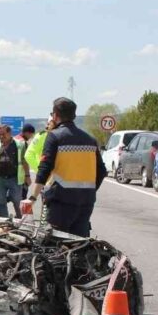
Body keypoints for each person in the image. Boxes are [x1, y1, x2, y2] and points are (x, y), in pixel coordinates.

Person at [21, 98, 106, 237]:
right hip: (86, 202)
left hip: (61, 202)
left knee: (53, 247)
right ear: (74, 115)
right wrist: (89, 190)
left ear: (54, 115)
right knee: (79, 245)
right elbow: (102, 171)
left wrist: (32, 198)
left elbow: (45, 168)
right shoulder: (90, 139)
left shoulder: (54, 137)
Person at [0, 124, 30, 218]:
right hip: (0, 178)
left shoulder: (19, 145)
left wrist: (27, 176)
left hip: (14, 178)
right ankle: (4, 221)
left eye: (3, 134)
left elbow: (24, 162)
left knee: (17, 200)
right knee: (0, 200)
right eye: (0, 134)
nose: (1, 136)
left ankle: (20, 219)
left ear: (10, 133)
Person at [17, 123, 36, 199]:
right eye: (31, 134)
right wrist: (27, 176)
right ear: (27, 133)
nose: (31, 136)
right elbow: (25, 161)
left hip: (12, 175)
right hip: (21, 175)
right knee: (23, 197)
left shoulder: (14, 139)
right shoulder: (23, 143)